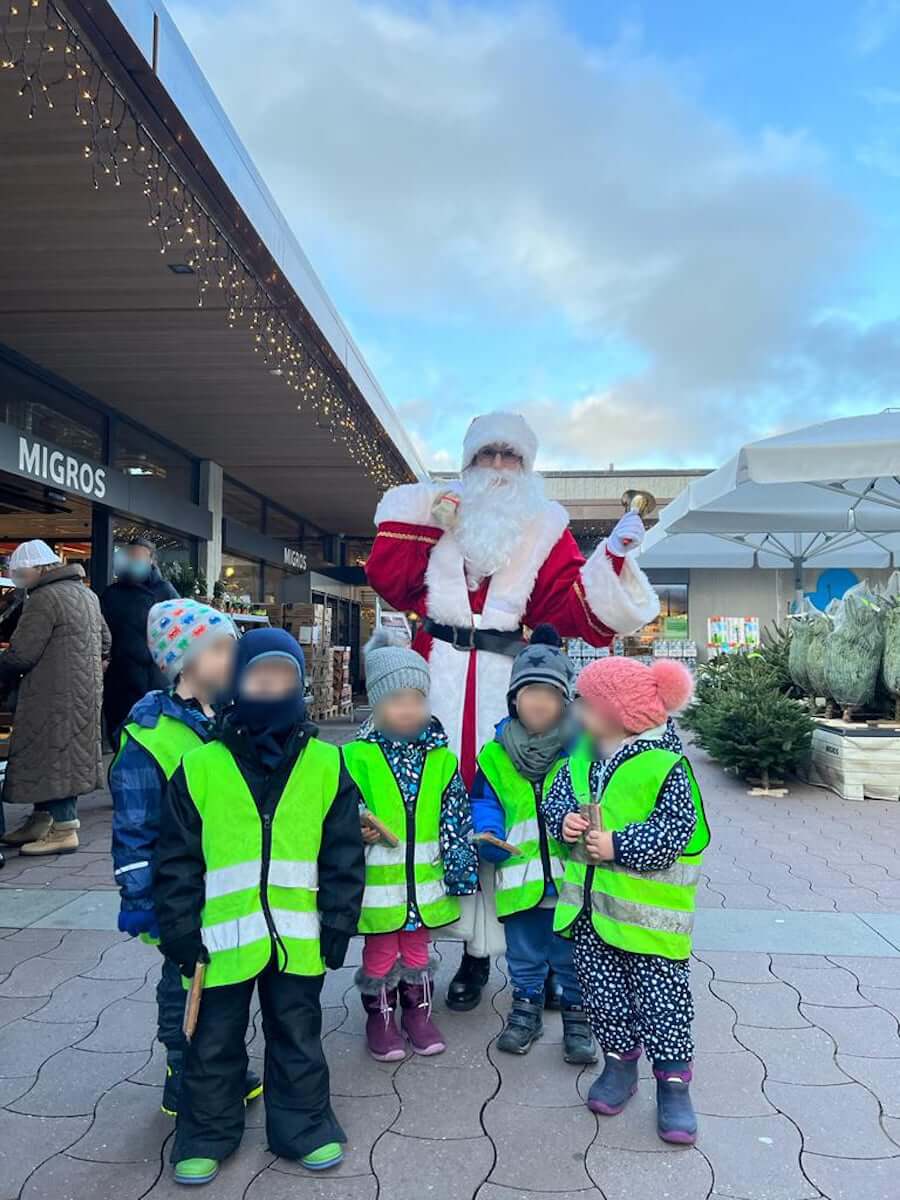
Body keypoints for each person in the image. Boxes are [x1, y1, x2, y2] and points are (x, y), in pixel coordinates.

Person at [366, 410, 659, 1010]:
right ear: (468, 462)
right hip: (438, 679)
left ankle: (544, 957)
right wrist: (427, 515)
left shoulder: (545, 527)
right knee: (443, 812)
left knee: (520, 818)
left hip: (511, 687)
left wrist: (615, 558)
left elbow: (579, 611)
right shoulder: (438, 513)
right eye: (488, 455)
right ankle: (470, 957)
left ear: (527, 467)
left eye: (511, 457)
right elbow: (389, 579)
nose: (499, 468)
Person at [154, 628, 365, 1185]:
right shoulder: (201, 767)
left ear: (300, 687)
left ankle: (305, 1126)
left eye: (284, 679)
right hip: (218, 942)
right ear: (236, 684)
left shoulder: (326, 764)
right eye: (258, 677)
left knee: (297, 1034)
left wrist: (340, 921)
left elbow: (344, 853)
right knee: (213, 1042)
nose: (271, 688)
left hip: (298, 938)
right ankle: (205, 1133)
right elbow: (176, 858)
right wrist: (178, 930)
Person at [542, 657, 709, 1145]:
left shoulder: (665, 766)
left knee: (663, 1004)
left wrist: (620, 845)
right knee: (604, 996)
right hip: (592, 917)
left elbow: (679, 832)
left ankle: (674, 1085)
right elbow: (556, 802)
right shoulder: (579, 759)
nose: (577, 709)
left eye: (587, 703)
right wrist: (565, 822)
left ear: (618, 711)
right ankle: (620, 1064)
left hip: (650, 923)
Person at [109, 597, 263, 1117]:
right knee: (184, 978)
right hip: (177, 887)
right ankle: (183, 1071)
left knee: (224, 977)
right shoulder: (151, 738)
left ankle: (222, 1063)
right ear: (185, 661)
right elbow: (133, 827)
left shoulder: (231, 718)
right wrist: (140, 896)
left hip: (227, 882)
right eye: (220, 648)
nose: (232, 656)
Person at [344, 629, 478, 1062]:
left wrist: (460, 870)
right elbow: (339, 810)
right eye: (397, 699)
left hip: (424, 879)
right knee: (382, 948)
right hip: (377, 885)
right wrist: (355, 826)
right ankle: (379, 1017)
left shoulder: (440, 758)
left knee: (418, 947)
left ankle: (418, 1013)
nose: (409, 709)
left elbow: (455, 816)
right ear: (377, 703)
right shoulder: (354, 756)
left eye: (417, 699)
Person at [471, 625, 595, 1065]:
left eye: (549, 694)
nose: (538, 702)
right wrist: (488, 833)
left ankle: (578, 1015)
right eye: (529, 693)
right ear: (514, 699)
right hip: (519, 873)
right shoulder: (496, 754)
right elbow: (485, 800)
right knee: (523, 951)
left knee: (569, 949)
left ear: (565, 701)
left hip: (569, 876)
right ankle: (525, 1007)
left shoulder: (582, 750)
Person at [0, 540, 110, 856]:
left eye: (21, 572)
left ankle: (64, 829)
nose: (19, 578)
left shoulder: (44, 598)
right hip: (84, 691)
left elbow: (22, 654)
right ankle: (41, 818)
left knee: (54, 754)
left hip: (50, 693)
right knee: (64, 752)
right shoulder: (87, 595)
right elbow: (106, 640)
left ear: (40, 569)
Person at [101, 537, 178, 741]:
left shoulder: (165, 591)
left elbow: (179, 629)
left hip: (153, 677)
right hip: (118, 678)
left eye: (139, 556)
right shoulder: (112, 593)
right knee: (119, 732)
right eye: (130, 556)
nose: (133, 560)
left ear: (152, 560)